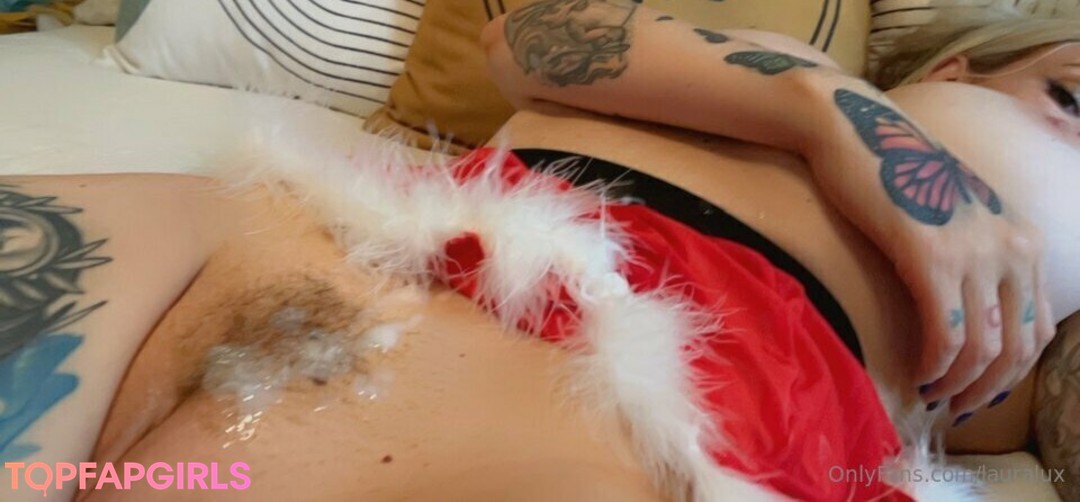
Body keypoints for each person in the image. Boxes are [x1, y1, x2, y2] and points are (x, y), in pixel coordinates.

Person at [1, 1, 1077, 500]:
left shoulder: (1032, 369)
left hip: (668, 424)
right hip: (348, 239)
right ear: (960, 71)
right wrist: (834, 109)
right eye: (1071, 97)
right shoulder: (784, 65)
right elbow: (533, 38)